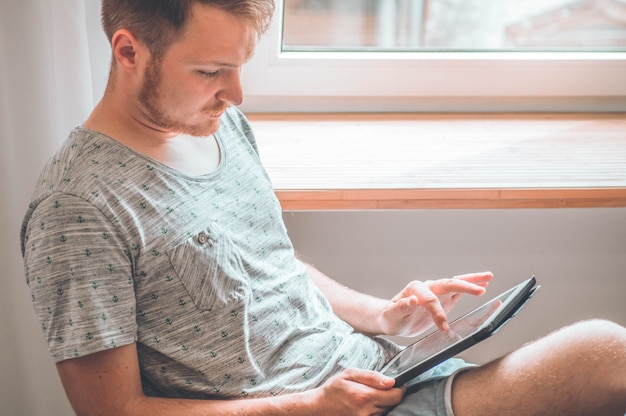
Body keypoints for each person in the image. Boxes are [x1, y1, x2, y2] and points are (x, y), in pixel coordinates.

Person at [20, 1, 626, 415]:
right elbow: (114, 411)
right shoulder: (78, 209)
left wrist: (385, 316)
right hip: (321, 405)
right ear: (128, 51)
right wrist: (308, 407)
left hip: (379, 375)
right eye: (211, 71)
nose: (235, 95)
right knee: (603, 355)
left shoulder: (217, 124)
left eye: (239, 68)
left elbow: (263, 263)